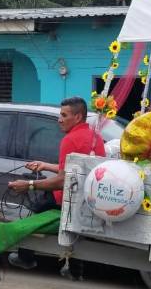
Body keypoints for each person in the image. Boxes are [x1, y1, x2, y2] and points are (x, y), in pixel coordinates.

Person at [6, 96, 105, 277]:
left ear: (77, 117)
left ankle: (25, 257)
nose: (59, 119)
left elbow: (61, 181)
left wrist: (29, 185)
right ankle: (75, 270)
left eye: (64, 115)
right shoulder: (95, 137)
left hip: (69, 196)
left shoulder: (70, 139)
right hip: (88, 197)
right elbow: (74, 170)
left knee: (36, 209)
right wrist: (45, 166)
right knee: (72, 223)